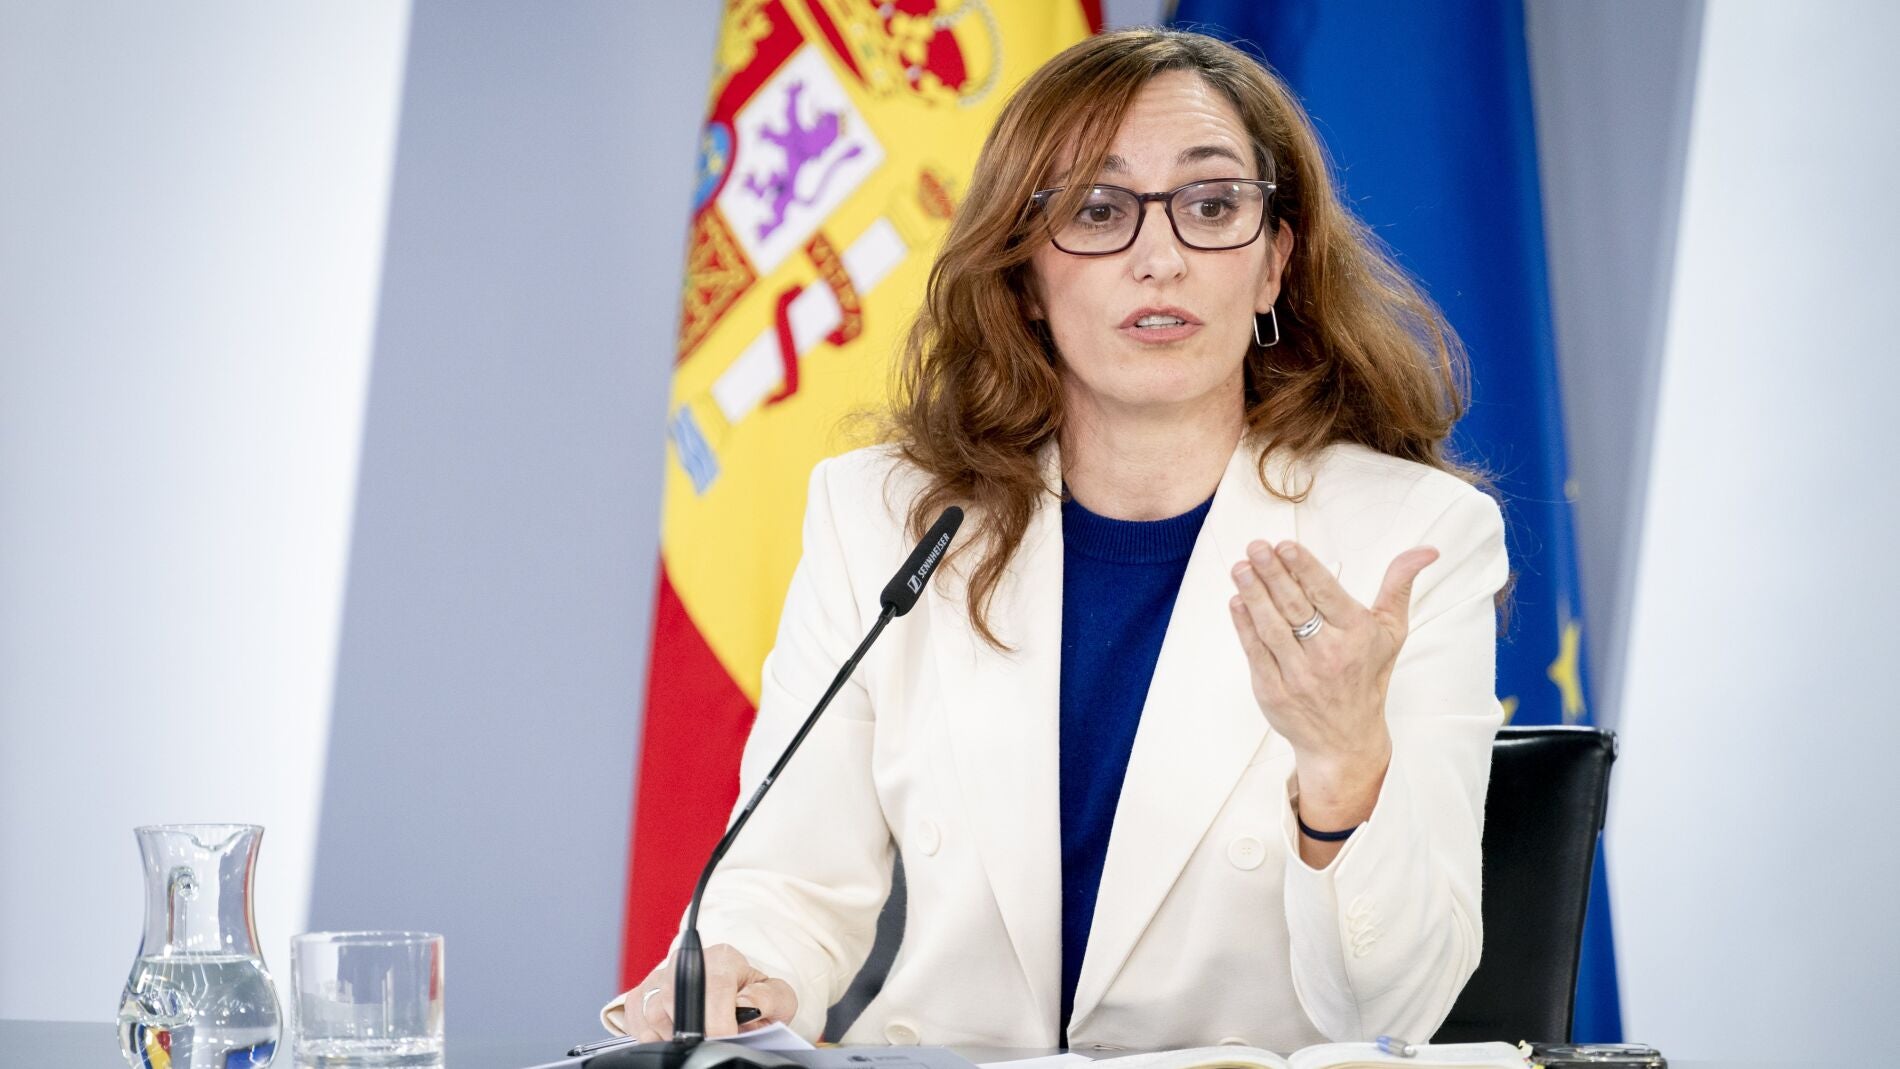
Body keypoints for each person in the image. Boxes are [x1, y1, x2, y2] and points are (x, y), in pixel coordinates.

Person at [604, 27, 1510, 1053]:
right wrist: (739, 971)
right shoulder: (884, 519)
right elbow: (785, 886)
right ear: (1027, 276)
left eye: (1213, 206)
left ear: (1273, 264)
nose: (1160, 258)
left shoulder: (1409, 538)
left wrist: (1345, 766)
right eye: (1097, 210)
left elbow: (1397, 1013)